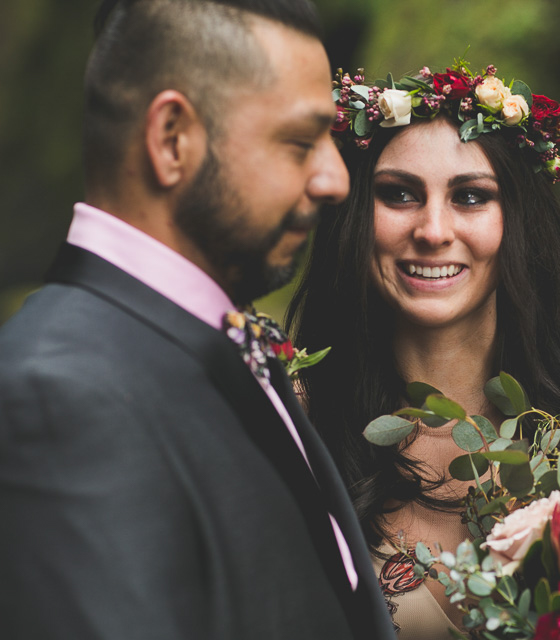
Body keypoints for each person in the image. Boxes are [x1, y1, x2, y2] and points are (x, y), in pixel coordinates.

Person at [0, 1, 395, 638]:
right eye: (300, 142)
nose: (335, 180)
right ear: (172, 140)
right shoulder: (59, 396)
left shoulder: (207, 340)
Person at [287, 62, 560, 637]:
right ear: (354, 215)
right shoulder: (290, 419)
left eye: (471, 196)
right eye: (398, 194)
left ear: (518, 220)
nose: (433, 230)